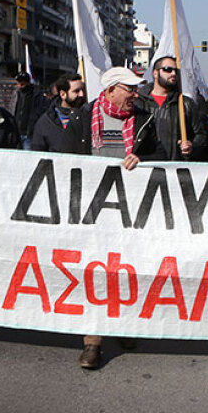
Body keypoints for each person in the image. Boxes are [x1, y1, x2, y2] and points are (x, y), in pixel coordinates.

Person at [61, 67, 166, 369]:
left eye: (136, 89)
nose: (135, 94)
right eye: (128, 89)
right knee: (94, 273)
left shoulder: (144, 119)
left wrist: (142, 159)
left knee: (127, 271)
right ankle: (92, 342)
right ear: (109, 91)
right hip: (92, 212)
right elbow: (64, 160)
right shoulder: (82, 118)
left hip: (130, 212)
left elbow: (161, 154)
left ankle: (124, 327)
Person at [137, 56, 207, 161]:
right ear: (155, 73)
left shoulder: (185, 103)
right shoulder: (139, 102)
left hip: (174, 166)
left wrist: (191, 146)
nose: (173, 73)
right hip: (145, 166)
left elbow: (201, 135)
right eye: (168, 69)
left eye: (176, 71)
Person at [31, 73, 85, 153]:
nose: (81, 94)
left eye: (83, 90)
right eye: (76, 91)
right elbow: (38, 152)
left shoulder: (90, 116)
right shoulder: (46, 122)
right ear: (63, 94)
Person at [13, 72, 47, 150]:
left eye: (22, 84)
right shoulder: (16, 94)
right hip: (17, 133)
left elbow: (38, 113)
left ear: (27, 83)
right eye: (18, 84)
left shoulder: (36, 96)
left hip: (29, 134)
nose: (19, 86)